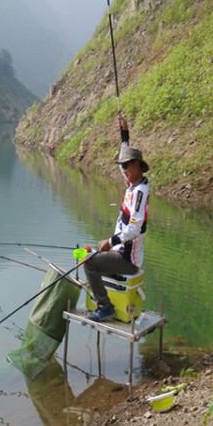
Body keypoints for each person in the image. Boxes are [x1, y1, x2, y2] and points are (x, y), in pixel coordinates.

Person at [85, 113, 150, 322]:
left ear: (139, 165)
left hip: (127, 260)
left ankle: (105, 307)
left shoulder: (140, 192)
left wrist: (110, 242)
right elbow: (123, 163)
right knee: (87, 252)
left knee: (89, 263)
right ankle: (104, 298)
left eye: (128, 166)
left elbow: (134, 229)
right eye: (123, 166)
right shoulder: (133, 185)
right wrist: (124, 135)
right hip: (119, 252)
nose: (125, 170)